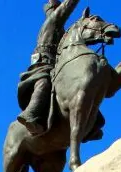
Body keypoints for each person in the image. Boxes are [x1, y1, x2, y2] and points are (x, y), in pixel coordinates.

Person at [17, 0, 81, 136]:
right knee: (44, 82)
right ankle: (30, 113)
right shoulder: (52, 22)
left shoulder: (62, 31)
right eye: (57, 8)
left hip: (56, 65)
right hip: (43, 63)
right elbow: (66, 7)